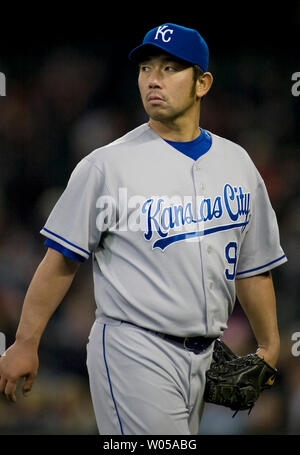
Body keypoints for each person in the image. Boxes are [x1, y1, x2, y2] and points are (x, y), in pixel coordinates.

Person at [0, 23, 287, 435]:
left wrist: (269, 344)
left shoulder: (237, 163)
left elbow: (253, 265)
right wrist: (26, 342)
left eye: (171, 68)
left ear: (202, 83)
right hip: (133, 350)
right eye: (147, 68)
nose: (154, 78)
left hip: (205, 357)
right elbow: (61, 259)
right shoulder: (106, 165)